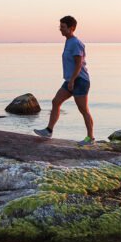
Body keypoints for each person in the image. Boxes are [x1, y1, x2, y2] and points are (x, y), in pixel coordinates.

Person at [34, 15, 95, 146]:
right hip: (71, 80)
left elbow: (79, 64)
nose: (60, 29)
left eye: (62, 27)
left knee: (83, 110)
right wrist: (70, 80)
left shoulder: (76, 43)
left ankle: (90, 138)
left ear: (71, 28)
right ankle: (48, 130)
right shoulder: (68, 41)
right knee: (56, 101)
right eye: (60, 27)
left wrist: (72, 80)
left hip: (80, 81)